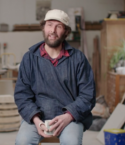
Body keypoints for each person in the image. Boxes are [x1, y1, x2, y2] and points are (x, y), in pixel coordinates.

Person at [14, 9, 96, 145]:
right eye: (49, 25)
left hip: (70, 118)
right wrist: (35, 119)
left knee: (71, 142)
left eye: (59, 26)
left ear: (66, 31)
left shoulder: (78, 59)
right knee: (23, 141)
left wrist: (69, 116)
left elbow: (88, 95)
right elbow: (22, 94)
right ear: (44, 28)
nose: (53, 30)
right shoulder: (29, 58)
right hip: (37, 117)